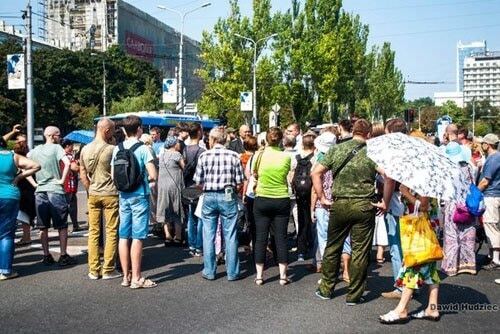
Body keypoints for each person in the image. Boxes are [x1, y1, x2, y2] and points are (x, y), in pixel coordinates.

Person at [312, 119, 394, 304]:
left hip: (339, 204)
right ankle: (354, 295)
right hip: (364, 206)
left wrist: (323, 197)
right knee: (360, 250)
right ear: (369, 134)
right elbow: (388, 177)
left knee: (333, 247)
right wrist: (385, 202)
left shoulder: (336, 149)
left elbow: (315, 173)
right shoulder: (372, 152)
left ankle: (326, 289)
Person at [379, 192, 441, 324]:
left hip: (421, 231)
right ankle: (432, 307)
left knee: (412, 267)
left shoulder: (423, 181)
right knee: (430, 270)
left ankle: (401, 309)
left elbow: (423, 206)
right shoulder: (428, 178)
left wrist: (405, 192)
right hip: (426, 229)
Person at [112, 115, 158, 288]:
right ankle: (137, 278)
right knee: (138, 237)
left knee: (124, 236)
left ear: (124, 130)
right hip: (140, 195)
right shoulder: (143, 149)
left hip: (123, 195)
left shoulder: (118, 149)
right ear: (139, 129)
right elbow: (153, 175)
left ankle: (125, 276)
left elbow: (113, 175)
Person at [194, 127, 244, 281]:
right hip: (227, 195)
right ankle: (233, 272)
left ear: (213, 139)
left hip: (209, 195)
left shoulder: (204, 156)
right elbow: (240, 181)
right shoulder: (234, 156)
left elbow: (198, 181)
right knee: (230, 234)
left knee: (208, 234)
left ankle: (209, 270)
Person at [80, 118, 122, 280]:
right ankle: (108, 269)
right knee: (111, 232)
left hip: (94, 193)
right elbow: (116, 173)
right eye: (112, 130)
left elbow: (82, 172)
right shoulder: (112, 149)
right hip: (110, 193)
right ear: (107, 131)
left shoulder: (85, 149)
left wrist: (90, 188)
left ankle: (93, 269)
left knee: (93, 232)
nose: (113, 133)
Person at [29, 126, 75, 266]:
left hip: (40, 192)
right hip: (55, 190)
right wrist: (61, 180)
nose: (60, 137)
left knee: (43, 227)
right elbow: (67, 163)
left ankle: (46, 255)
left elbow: (22, 167)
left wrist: (34, 183)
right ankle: (63, 255)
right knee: (61, 225)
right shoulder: (57, 148)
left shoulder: (35, 151)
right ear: (52, 136)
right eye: (58, 135)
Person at [252, 127, 292, 286]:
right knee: (281, 238)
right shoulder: (286, 157)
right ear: (281, 140)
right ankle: (283, 276)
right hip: (281, 198)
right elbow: (286, 175)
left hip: (262, 198)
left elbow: (254, 174)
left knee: (261, 237)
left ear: (266, 140)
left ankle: (260, 276)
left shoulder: (258, 155)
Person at [0, 136, 40, 280]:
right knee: (6, 235)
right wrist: (18, 178)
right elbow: (36, 166)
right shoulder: (13, 156)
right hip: (9, 195)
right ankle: (5, 271)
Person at [380, 118, 408, 300]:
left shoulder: (394, 152)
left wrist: (384, 201)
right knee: (410, 247)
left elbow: (390, 180)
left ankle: (401, 287)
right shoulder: (412, 150)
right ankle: (412, 283)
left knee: (396, 246)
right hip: (413, 204)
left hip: (396, 203)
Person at [441, 142, 477, 276]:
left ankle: (451, 266)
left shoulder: (447, 170)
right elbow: (473, 184)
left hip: (452, 205)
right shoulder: (468, 168)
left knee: (452, 236)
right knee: (467, 234)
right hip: (468, 204)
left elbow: (445, 189)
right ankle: (468, 264)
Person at [311, 131, 337, 274]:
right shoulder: (339, 158)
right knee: (338, 237)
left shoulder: (319, 161)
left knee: (323, 237)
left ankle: (328, 269)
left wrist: (313, 205)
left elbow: (315, 187)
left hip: (323, 202)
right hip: (337, 200)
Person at [292, 131, 317, 261]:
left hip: (299, 193)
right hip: (312, 191)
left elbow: (291, 176)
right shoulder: (315, 158)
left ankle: (301, 251)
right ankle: (313, 248)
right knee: (312, 220)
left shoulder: (296, 158)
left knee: (301, 221)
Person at [157, 136, 185, 246]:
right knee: (177, 210)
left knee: (165, 210)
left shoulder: (162, 155)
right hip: (175, 186)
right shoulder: (177, 155)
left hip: (162, 186)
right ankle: (178, 237)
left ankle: (167, 236)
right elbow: (184, 167)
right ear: (174, 144)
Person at [478, 134, 500, 270]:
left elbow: (485, 180)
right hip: (496, 194)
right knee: (493, 225)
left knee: (491, 226)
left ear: (488, 145)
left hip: (491, 195)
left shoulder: (493, 159)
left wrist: (474, 192)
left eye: (483, 143)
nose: (481, 145)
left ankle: (496, 260)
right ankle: (492, 254)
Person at [184, 123, 205, 256]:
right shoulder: (202, 151)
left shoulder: (185, 150)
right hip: (199, 185)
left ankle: (191, 245)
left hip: (188, 185)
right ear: (198, 132)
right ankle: (199, 245)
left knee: (191, 216)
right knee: (201, 216)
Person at [13, 135, 37, 246]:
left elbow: (25, 174)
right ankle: (26, 236)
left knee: (23, 214)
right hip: (27, 190)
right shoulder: (29, 158)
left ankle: (26, 237)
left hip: (23, 190)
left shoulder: (18, 159)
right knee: (25, 214)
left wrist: (34, 184)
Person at [242, 136, 259, 253]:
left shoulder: (241, 158)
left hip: (247, 191)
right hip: (258, 191)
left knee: (248, 220)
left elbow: (246, 179)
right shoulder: (258, 157)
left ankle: (248, 243)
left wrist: (243, 194)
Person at [60, 139, 81, 232]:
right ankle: (75, 225)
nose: (73, 147)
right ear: (67, 146)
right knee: (72, 205)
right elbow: (75, 168)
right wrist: (79, 165)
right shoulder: (68, 156)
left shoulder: (59, 155)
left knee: (63, 206)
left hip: (61, 183)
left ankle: (63, 225)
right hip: (69, 184)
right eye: (72, 145)